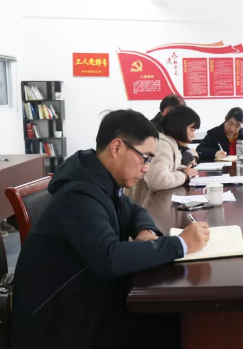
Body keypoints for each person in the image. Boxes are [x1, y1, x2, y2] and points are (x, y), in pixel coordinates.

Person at [11, 109, 210, 349]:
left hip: (87, 296)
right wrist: (180, 244)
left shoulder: (99, 179)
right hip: (59, 321)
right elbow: (110, 257)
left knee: (174, 320)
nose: (146, 168)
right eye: (145, 158)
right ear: (117, 147)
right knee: (176, 326)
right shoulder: (80, 194)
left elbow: (134, 210)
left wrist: (147, 231)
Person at [129, 106, 200, 208]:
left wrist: (183, 169)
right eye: (192, 130)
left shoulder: (170, 143)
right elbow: (158, 181)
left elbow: (168, 168)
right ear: (179, 127)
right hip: (146, 207)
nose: (193, 136)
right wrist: (184, 175)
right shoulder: (162, 145)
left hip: (152, 205)